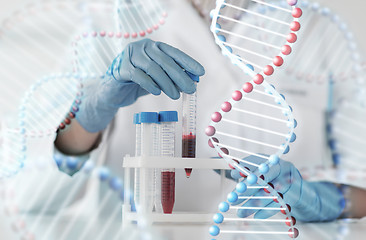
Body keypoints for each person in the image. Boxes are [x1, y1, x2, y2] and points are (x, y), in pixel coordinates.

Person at [54, 0, 366, 223]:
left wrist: (319, 200)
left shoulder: (320, 31)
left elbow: (362, 186)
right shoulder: (106, 20)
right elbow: (33, 189)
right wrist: (88, 113)